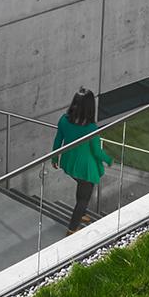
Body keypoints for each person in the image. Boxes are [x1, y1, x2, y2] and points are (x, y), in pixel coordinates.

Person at [50, 87, 111, 235]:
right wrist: (109, 160)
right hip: (85, 169)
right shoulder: (91, 128)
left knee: (80, 188)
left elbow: (58, 139)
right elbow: (97, 152)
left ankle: (81, 214)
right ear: (91, 107)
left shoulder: (64, 120)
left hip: (69, 164)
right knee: (84, 199)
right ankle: (72, 228)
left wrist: (54, 158)